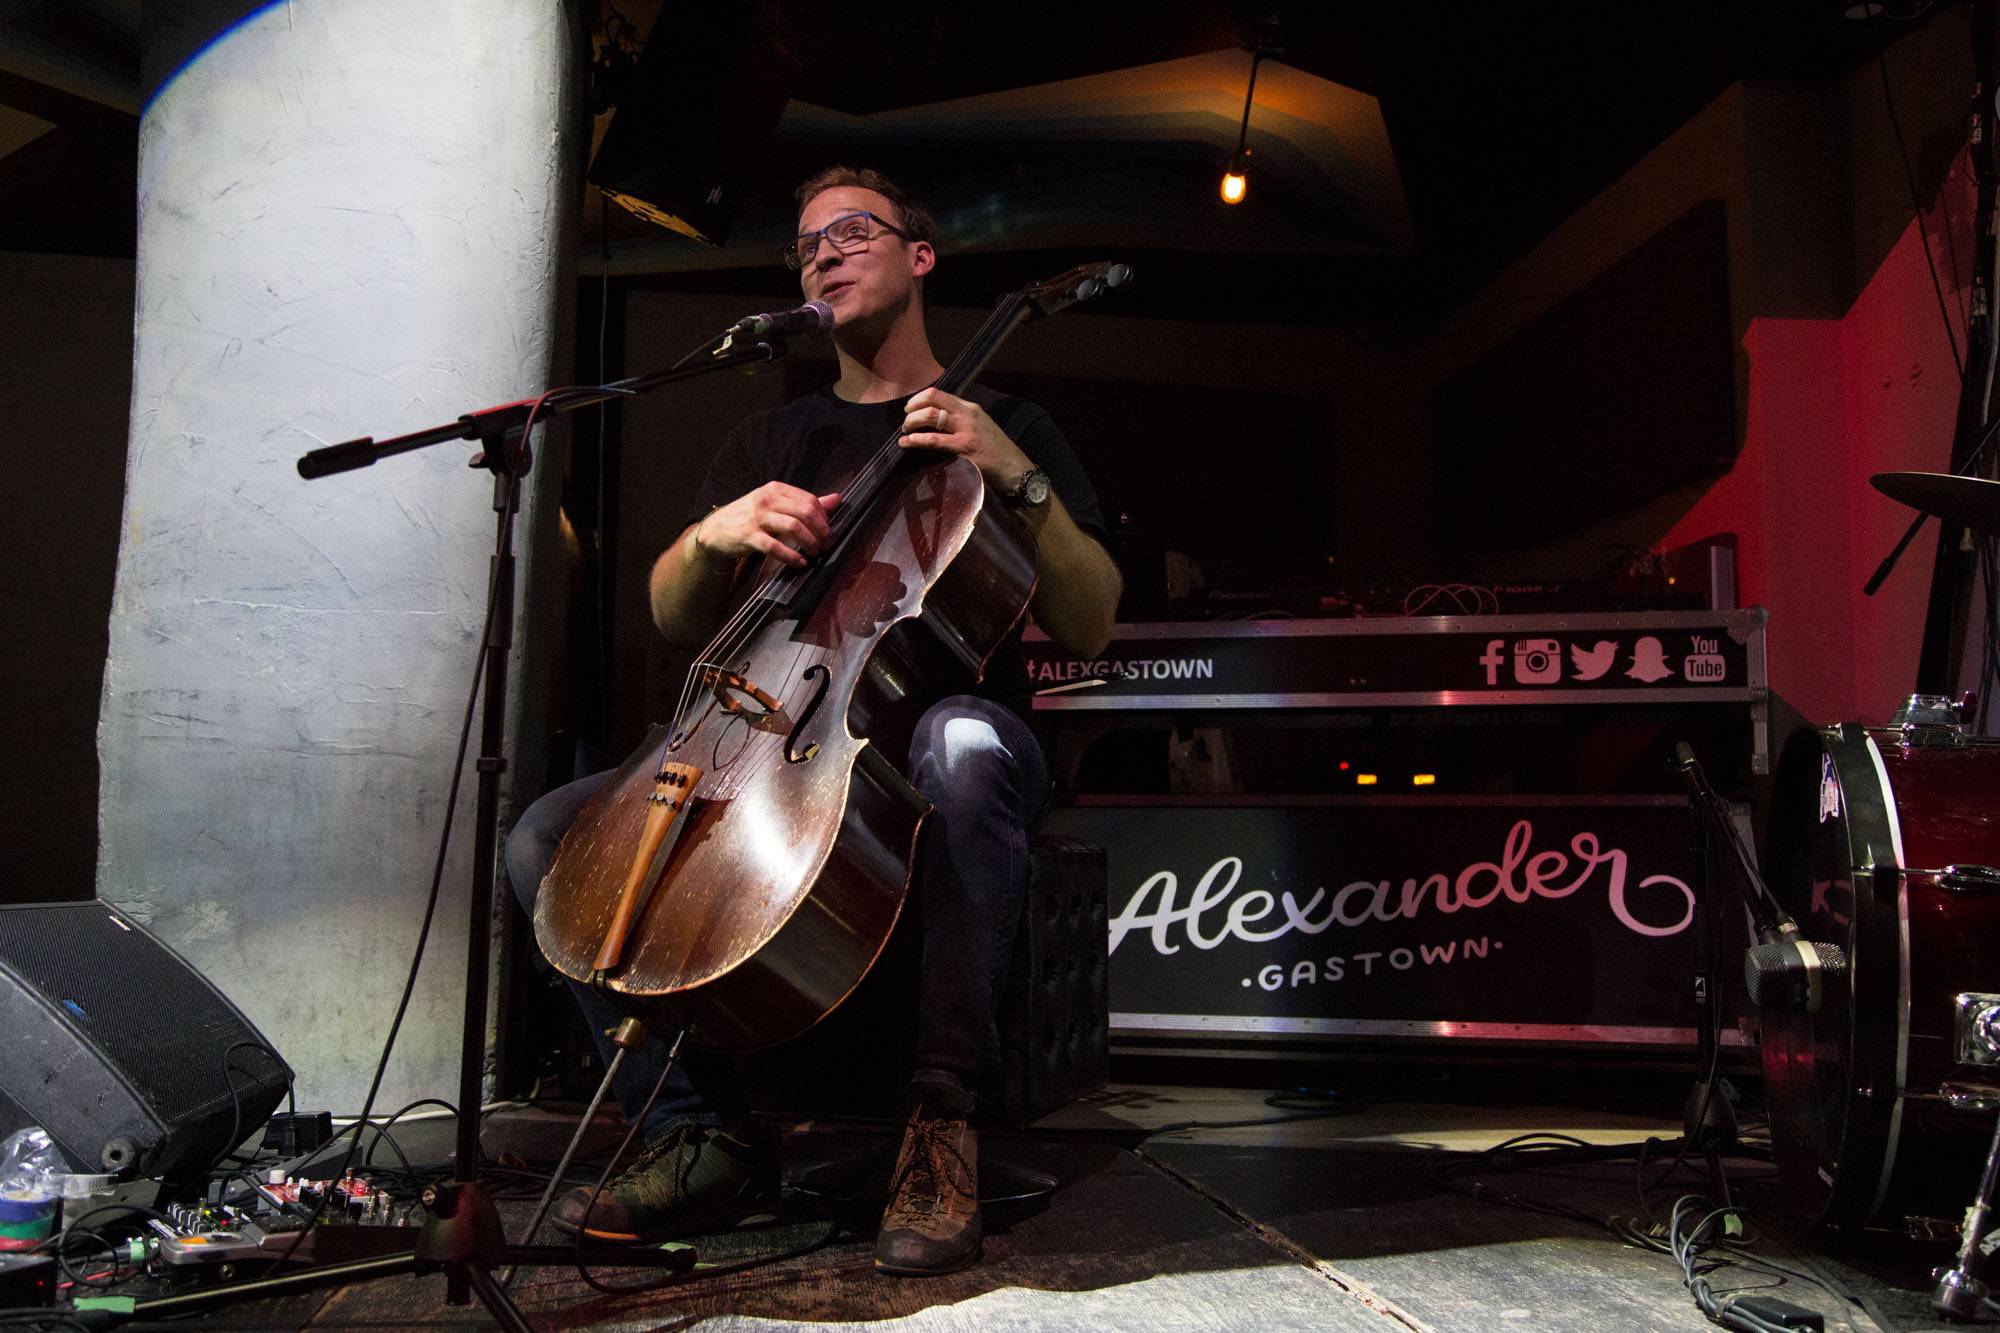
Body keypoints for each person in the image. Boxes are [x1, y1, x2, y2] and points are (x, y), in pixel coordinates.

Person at [504, 165, 1121, 1276]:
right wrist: (713, 535)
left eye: (850, 233)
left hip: (941, 730)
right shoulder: (772, 439)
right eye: (804, 247)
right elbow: (670, 612)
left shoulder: (1009, 425)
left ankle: (939, 1126)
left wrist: (1012, 472)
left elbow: (1090, 621)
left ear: (919, 254)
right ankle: (699, 1131)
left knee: (963, 748)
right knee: (546, 842)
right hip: (773, 733)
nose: (823, 255)